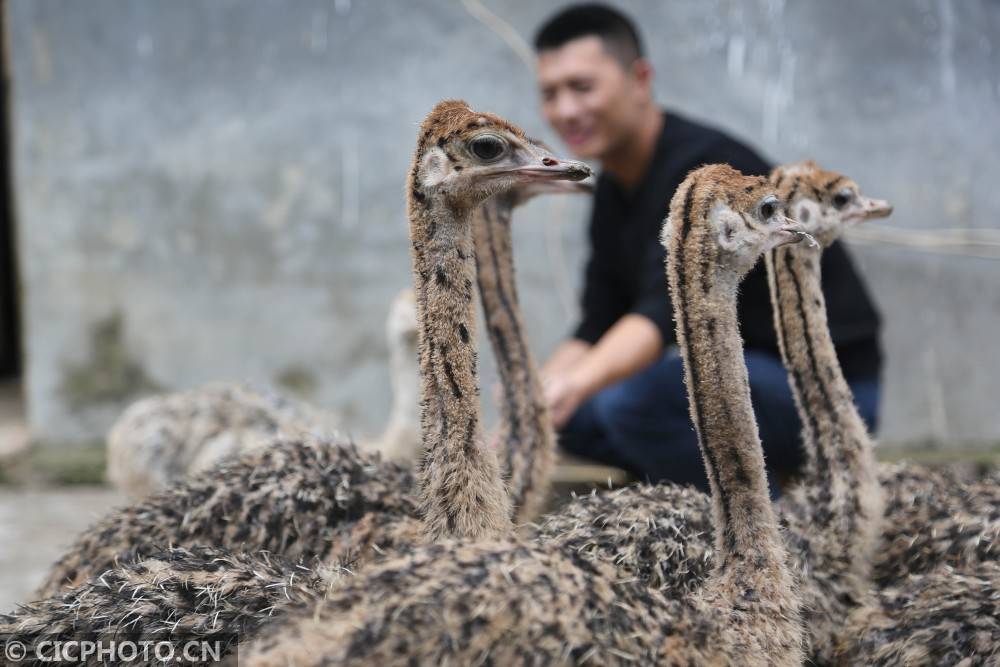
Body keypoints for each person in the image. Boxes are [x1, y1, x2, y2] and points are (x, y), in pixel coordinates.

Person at [534, 3, 882, 492]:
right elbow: (599, 322)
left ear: (640, 79)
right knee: (568, 418)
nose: (566, 110)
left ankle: (779, 526)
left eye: (582, 87)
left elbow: (660, 316)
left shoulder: (707, 172)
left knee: (629, 402)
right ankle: (706, 490)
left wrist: (574, 384)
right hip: (731, 378)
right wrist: (533, 402)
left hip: (825, 388)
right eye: (550, 94)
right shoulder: (614, 187)